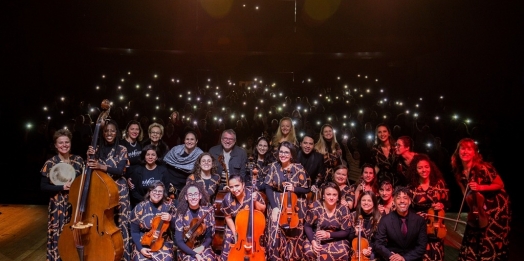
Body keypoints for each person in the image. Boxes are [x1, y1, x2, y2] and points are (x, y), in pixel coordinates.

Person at [451, 138, 511, 261]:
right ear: (458, 151)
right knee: (473, 235)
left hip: (496, 208)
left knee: (489, 238)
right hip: (478, 206)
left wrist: (480, 187)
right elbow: (465, 194)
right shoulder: (460, 172)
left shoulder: (483, 167)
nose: (465, 152)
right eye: (462, 148)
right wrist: (473, 208)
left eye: (469, 149)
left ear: (475, 153)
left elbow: (500, 184)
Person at [86, 119, 132, 260]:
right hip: (102, 190)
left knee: (121, 222)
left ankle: (124, 256)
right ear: (103, 133)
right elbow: (89, 169)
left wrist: (101, 166)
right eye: (106, 131)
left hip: (119, 189)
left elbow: (120, 171)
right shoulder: (97, 149)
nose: (109, 133)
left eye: (112, 130)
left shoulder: (122, 149)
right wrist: (89, 156)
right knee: (104, 223)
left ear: (117, 132)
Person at [40, 129, 84, 261]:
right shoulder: (50, 163)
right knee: (58, 235)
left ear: (70, 143)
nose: (64, 145)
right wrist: (62, 187)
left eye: (67, 142)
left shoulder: (79, 160)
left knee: (75, 234)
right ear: (55, 145)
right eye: (61, 143)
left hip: (76, 203)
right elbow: (43, 187)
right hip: (58, 204)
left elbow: (85, 181)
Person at [264, 141, 310, 261]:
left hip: (295, 204)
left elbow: (306, 189)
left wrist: (294, 188)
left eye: (286, 152)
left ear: (291, 155)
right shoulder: (274, 166)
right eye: (281, 151)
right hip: (277, 202)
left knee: (294, 233)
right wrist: (274, 207)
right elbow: (267, 186)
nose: (283, 154)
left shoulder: (298, 167)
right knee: (275, 230)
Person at [407, 154, 449, 261]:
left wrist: (442, 205)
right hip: (419, 227)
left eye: (426, 167)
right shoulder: (411, 187)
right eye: (420, 168)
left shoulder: (439, 184)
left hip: (436, 227)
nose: (424, 170)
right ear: (415, 170)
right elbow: (407, 209)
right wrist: (415, 215)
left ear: (431, 167)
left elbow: (447, 203)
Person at [219, 175, 267, 261]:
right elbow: (228, 217)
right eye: (231, 187)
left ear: (243, 184)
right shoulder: (227, 199)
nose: (234, 189)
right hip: (235, 224)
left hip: (251, 223)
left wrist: (255, 201)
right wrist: (235, 233)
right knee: (229, 236)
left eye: (237, 185)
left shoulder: (251, 193)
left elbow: (263, 209)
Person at [374, 186, 427, 261]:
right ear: (394, 201)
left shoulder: (419, 221)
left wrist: (404, 258)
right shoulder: (385, 220)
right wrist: (391, 256)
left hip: (412, 259)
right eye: (398, 198)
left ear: (410, 201)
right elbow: (378, 244)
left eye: (405, 198)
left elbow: (422, 246)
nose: (402, 201)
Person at [303, 182, 351, 261]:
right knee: (309, 251)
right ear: (323, 196)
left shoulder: (343, 209)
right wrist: (313, 241)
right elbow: (307, 226)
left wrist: (329, 234)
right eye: (328, 194)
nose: (331, 197)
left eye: (334, 195)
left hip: (336, 238)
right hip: (316, 237)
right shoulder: (315, 206)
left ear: (338, 197)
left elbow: (346, 231)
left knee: (343, 252)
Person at [130, 181, 176, 261]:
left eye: (160, 191)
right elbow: (134, 231)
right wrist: (141, 248)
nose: (157, 193)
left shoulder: (168, 207)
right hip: (143, 241)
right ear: (149, 192)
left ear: (163, 193)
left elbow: (177, 227)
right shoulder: (140, 207)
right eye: (154, 190)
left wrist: (171, 219)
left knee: (167, 258)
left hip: (163, 241)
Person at [173, 182, 216, 261]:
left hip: (203, 246)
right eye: (190, 195)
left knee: (209, 259)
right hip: (186, 248)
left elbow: (209, 236)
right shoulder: (180, 214)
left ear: (200, 196)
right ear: (186, 197)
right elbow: (179, 241)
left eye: (196, 194)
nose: (193, 197)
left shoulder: (207, 211)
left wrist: (202, 247)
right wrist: (194, 254)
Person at [164, 131, 203, 199]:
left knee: (184, 205)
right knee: (171, 203)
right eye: (187, 139)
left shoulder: (199, 154)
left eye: (192, 139)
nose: (189, 141)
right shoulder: (175, 150)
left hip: (187, 185)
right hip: (171, 183)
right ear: (184, 140)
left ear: (196, 141)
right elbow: (166, 162)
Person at [348, 191, 382, 261]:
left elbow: (379, 239)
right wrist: (355, 233)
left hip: (373, 249)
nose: (366, 203)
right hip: (356, 250)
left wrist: (370, 249)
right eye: (363, 200)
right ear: (360, 202)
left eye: (369, 201)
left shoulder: (380, 218)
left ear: (374, 203)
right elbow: (348, 237)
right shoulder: (353, 216)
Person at [369, 123, 400, 187]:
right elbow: (376, 167)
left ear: (389, 133)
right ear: (377, 135)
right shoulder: (375, 149)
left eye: (384, 131)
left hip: (398, 181)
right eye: (379, 132)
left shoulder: (396, 147)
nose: (382, 134)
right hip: (382, 181)